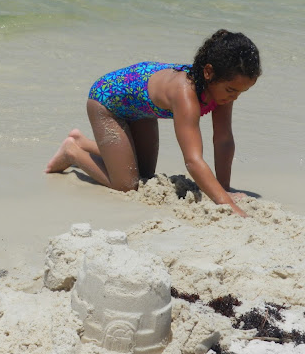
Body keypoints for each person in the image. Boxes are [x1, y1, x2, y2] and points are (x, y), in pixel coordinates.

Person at [45, 29, 262, 217]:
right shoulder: (185, 93)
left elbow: (223, 140)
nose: (234, 97)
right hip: (107, 101)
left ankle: (83, 142)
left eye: (241, 92)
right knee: (126, 185)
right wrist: (227, 204)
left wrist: (224, 188)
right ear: (208, 72)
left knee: (144, 175)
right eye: (231, 90)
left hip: (141, 109)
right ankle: (72, 151)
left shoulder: (221, 90)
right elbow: (193, 160)